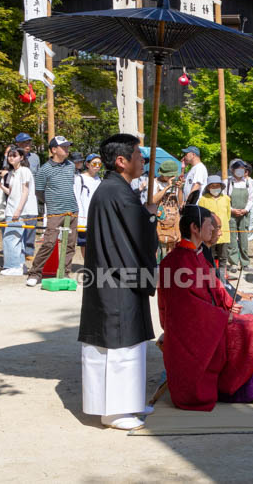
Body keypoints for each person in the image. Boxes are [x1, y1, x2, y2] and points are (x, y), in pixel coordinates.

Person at [78, 134, 159, 429]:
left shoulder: (114, 189)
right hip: (117, 276)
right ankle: (114, 411)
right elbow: (138, 234)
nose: (143, 160)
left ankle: (128, 402)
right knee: (118, 345)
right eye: (138, 155)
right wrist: (150, 218)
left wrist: (145, 215)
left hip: (116, 274)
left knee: (126, 343)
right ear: (122, 161)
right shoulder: (117, 192)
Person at [158, 205, 253, 411]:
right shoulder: (177, 261)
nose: (213, 229)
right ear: (195, 228)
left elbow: (215, 287)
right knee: (252, 331)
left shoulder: (196, 254)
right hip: (191, 332)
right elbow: (187, 307)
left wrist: (229, 304)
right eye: (209, 224)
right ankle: (240, 389)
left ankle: (248, 387)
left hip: (210, 321)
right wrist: (222, 316)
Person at [26, 136, 78, 286]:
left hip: (72, 210)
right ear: (54, 150)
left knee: (70, 244)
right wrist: (52, 202)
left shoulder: (71, 166)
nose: (67, 149)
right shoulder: (44, 170)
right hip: (55, 212)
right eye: (64, 147)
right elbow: (39, 192)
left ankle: (64, 273)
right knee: (49, 242)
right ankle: (35, 273)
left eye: (68, 146)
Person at [0, 147, 36, 276]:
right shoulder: (13, 172)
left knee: (10, 238)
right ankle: (20, 265)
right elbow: (12, 192)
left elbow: (25, 192)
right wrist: (0, 186)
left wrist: (18, 210)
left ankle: (13, 266)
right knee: (16, 239)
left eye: (14, 155)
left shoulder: (24, 170)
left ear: (21, 157)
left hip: (19, 210)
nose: (11, 158)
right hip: (12, 208)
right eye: (9, 155)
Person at [225, 159, 253, 273]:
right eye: (238, 169)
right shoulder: (228, 182)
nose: (240, 171)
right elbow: (225, 199)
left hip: (244, 214)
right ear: (232, 170)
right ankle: (233, 263)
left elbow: (251, 199)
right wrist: (232, 210)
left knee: (244, 239)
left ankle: (245, 263)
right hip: (232, 214)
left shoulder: (248, 183)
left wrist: (245, 210)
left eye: (242, 169)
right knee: (232, 239)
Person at [198, 176, 231, 274]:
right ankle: (211, 275)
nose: (215, 188)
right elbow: (201, 216)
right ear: (208, 187)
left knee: (223, 256)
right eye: (213, 186)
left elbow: (228, 215)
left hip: (224, 232)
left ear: (221, 186)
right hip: (210, 233)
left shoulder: (226, 199)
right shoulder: (203, 199)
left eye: (217, 186)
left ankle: (222, 276)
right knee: (210, 255)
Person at [151, 159, 184, 255]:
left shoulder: (176, 184)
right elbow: (152, 201)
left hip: (173, 227)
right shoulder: (154, 183)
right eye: (169, 175)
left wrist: (180, 189)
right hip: (158, 226)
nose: (171, 177)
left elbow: (180, 203)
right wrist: (167, 187)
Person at [74, 153, 102, 262]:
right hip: (83, 217)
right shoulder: (79, 178)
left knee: (96, 242)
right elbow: (76, 197)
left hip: (96, 217)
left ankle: (94, 263)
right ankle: (87, 264)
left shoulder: (99, 180)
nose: (97, 166)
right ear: (87, 164)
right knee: (84, 242)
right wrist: (79, 216)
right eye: (94, 163)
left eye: (99, 164)